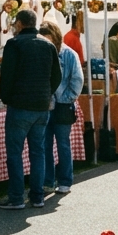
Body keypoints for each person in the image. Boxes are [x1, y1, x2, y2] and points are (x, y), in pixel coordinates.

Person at [0, 9, 61, 210]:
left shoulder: (14, 44)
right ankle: (37, 196)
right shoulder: (48, 45)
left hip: (20, 105)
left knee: (15, 153)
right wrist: (46, 93)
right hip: (41, 106)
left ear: (19, 23)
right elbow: (56, 76)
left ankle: (16, 197)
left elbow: (7, 76)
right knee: (38, 152)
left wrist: (6, 98)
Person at [38, 20, 84, 196]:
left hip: (63, 106)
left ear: (55, 36)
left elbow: (77, 80)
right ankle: (48, 181)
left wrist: (65, 99)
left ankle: (65, 181)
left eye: (48, 38)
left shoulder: (68, 54)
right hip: (45, 106)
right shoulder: (42, 52)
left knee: (63, 144)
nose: (46, 42)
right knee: (45, 145)